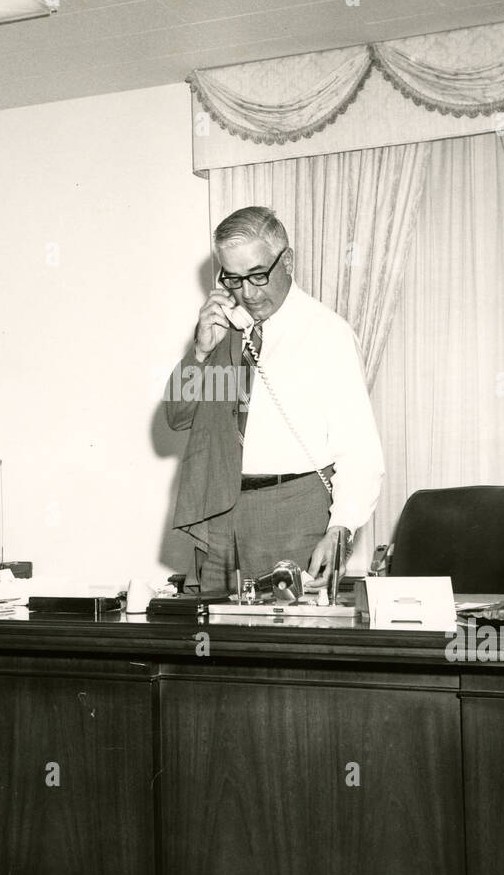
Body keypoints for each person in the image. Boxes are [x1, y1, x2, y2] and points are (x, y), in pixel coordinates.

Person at [164, 206, 384, 593]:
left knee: (289, 645)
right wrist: (199, 353)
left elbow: (359, 448)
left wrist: (342, 527)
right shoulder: (225, 332)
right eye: (233, 279)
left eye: (258, 275)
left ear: (288, 261)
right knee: (214, 643)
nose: (247, 293)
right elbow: (178, 416)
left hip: (294, 512)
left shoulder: (327, 335)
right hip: (219, 515)